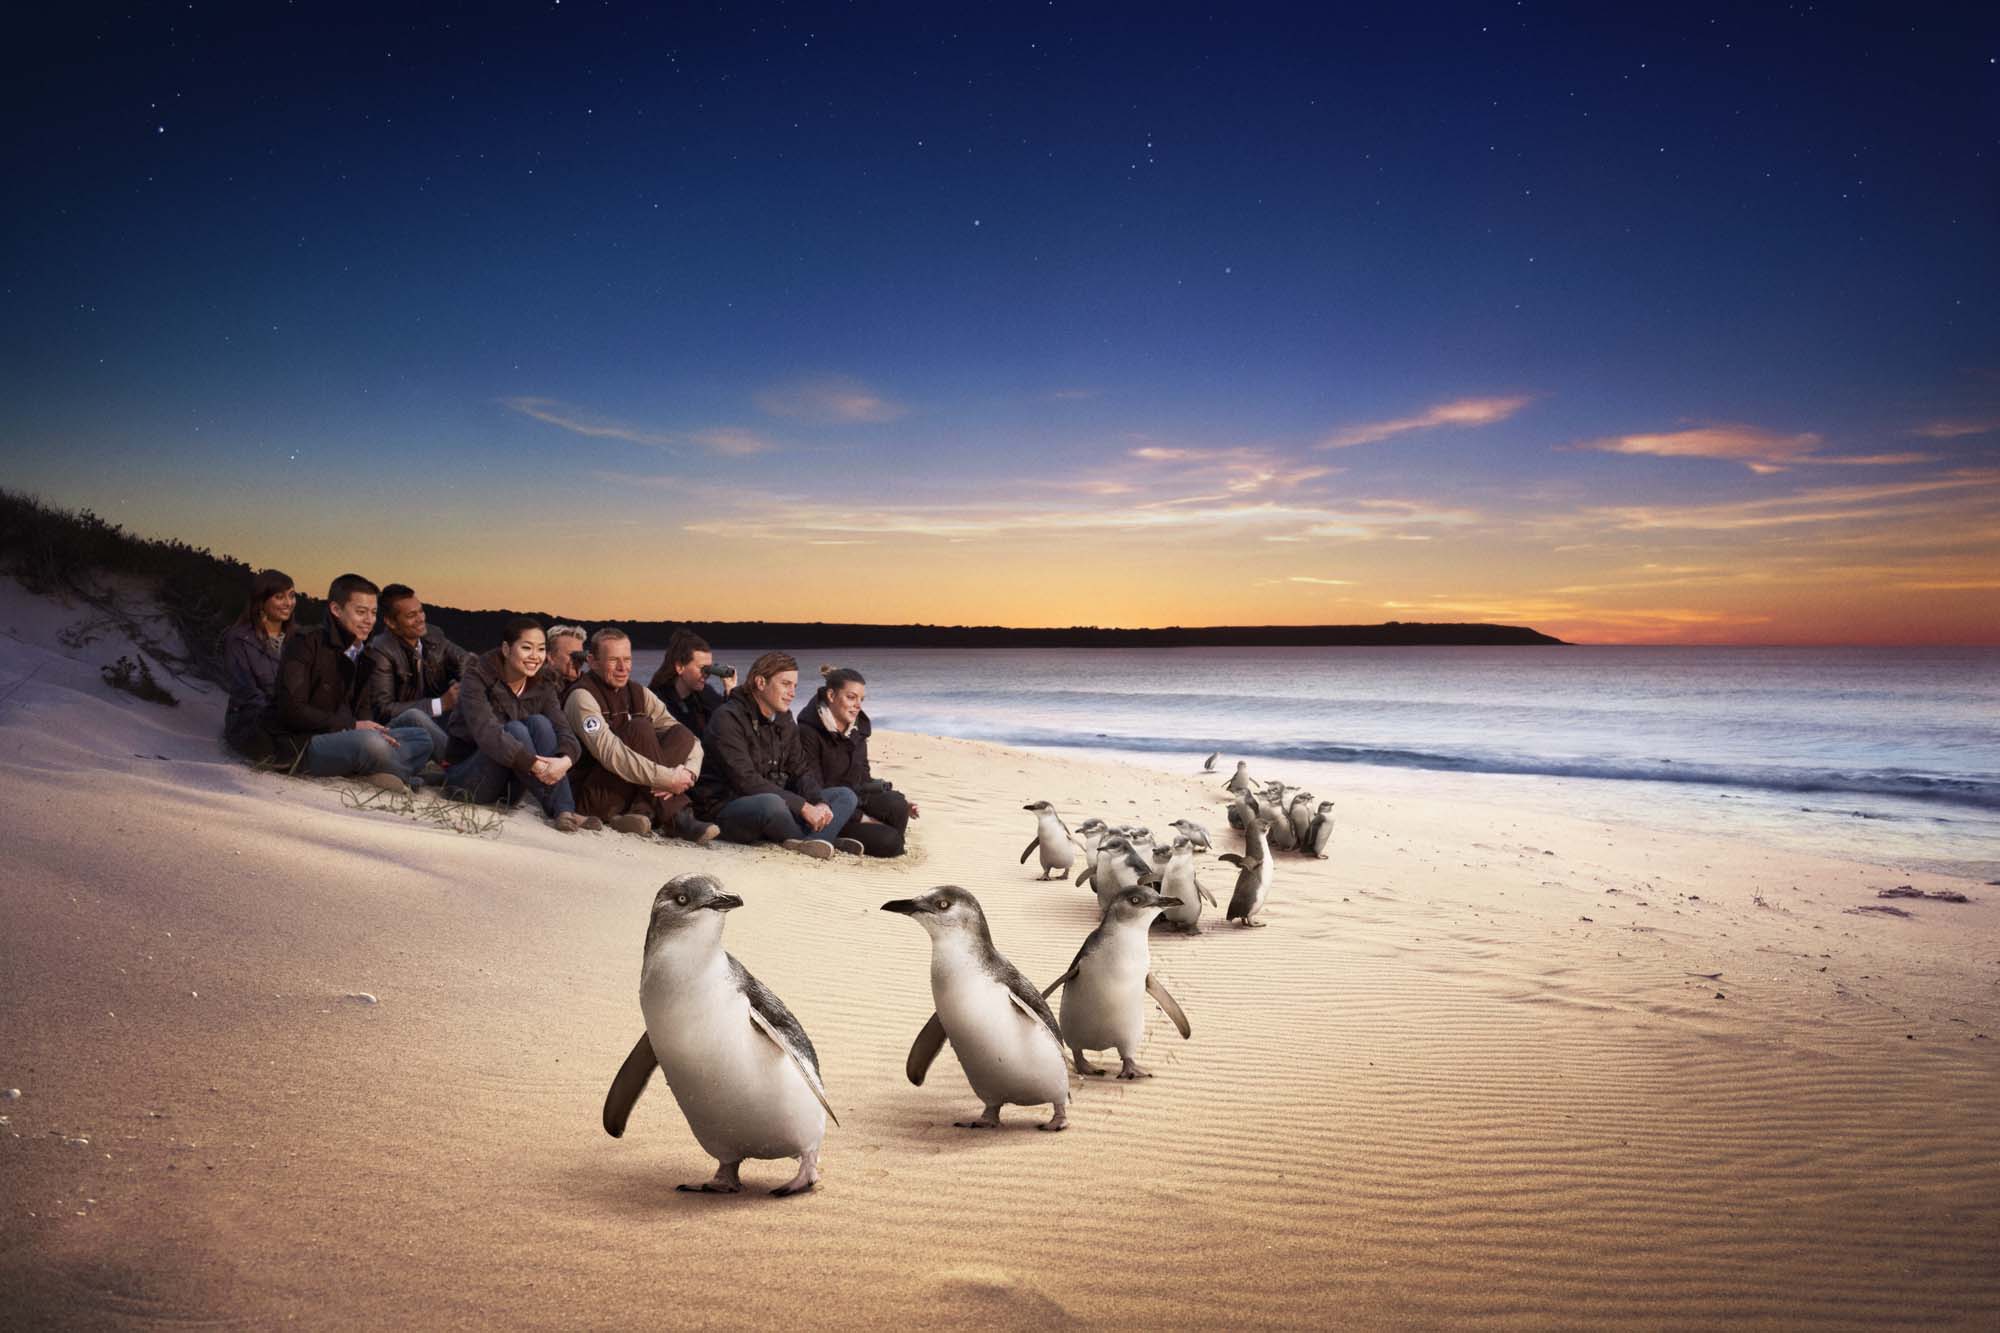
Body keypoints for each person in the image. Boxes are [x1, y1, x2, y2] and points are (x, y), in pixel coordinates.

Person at [265, 573, 434, 791]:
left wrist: (371, 729)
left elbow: (363, 711)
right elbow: (291, 710)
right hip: (304, 742)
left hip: (345, 735)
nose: (369, 620)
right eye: (361, 612)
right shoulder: (305, 643)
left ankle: (377, 769)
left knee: (421, 738)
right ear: (336, 610)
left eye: (373, 613)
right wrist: (353, 727)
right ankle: (402, 776)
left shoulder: (365, 654)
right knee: (370, 745)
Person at [689, 651, 860, 860]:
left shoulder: (784, 719)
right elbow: (746, 781)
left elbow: (801, 769)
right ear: (761, 683)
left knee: (844, 796)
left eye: (795, 686)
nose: (792, 693)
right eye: (786, 684)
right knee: (772, 804)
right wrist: (802, 806)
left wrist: (818, 801)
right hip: (728, 807)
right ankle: (821, 838)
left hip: (777, 801)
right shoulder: (727, 718)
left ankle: (815, 840)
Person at [563, 627, 719, 842]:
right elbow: (610, 753)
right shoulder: (581, 696)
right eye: (613, 660)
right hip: (591, 796)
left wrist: (689, 774)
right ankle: (677, 817)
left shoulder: (638, 692)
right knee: (639, 728)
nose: (622, 668)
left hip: (627, 790)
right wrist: (666, 778)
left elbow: (691, 741)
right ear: (593, 661)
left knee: (680, 733)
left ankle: (640, 812)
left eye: (627, 659)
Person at [444, 617, 595, 832]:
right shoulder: (477, 677)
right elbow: (487, 734)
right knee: (514, 729)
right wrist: (536, 765)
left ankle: (563, 809)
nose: (535, 656)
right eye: (526, 648)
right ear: (506, 649)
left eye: (541, 649)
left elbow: (564, 731)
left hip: (510, 787)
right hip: (468, 780)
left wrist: (565, 761)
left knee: (540, 723)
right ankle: (563, 809)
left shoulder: (543, 683)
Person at [795, 666, 918, 858]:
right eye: (851, 697)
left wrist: (900, 800)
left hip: (855, 799)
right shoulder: (807, 732)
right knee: (890, 841)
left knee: (897, 804)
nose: (858, 705)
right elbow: (813, 789)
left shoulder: (857, 730)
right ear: (831, 695)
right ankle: (832, 835)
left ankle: (883, 839)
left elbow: (863, 776)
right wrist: (862, 818)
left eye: (861, 699)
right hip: (829, 807)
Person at [361, 583, 469, 761]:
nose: (420, 619)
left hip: (433, 720)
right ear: (390, 622)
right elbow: (383, 710)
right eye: (411, 615)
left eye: (421, 611)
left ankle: (492, 759)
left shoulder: (433, 635)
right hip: (395, 728)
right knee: (415, 716)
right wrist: (441, 704)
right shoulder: (380, 650)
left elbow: (465, 661)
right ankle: (460, 767)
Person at [220, 568, 295, 761]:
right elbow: (244, 690)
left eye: (292, 596)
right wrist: (282, 714)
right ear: (262, 601)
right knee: (277, 748)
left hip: (294, 715)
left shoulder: (299, 638)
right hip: (251, 718)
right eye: (279, 597)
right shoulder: (239, 638)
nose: (288, 603)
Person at [648, 629, 735, 736]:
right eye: (702, 668)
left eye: (709, 668)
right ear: (680, 667)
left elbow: (727, 724)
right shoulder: (657, 700)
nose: (707, 674)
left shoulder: (705, 694)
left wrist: (730, 692)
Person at [547, 624, 588, 689]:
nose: (578, 660)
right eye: (571, 655)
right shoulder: (537, 688)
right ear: (551, 657)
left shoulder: (588, 685)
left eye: (580, 654)